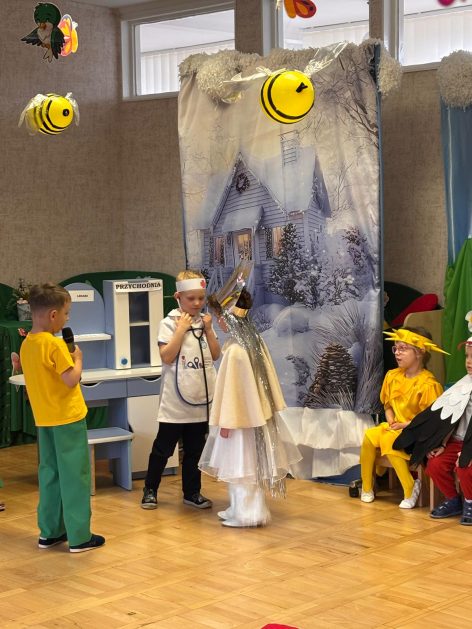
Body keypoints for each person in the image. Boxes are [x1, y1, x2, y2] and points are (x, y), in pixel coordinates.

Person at [199, 262, 301, 527]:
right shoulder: (252, 342)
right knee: (241, 466)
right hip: (250, 420)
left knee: (241, 466)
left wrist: (226, 422)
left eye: (221, 317)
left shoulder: (236, 351)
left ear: (230, 318)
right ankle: (237, 508)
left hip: (240, 423)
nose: (219, 322)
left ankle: (249, 513)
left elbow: (234, 394)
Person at [20, 283, 105, 552]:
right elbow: (70, 380)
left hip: (44, 420)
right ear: (53, 314)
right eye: (66, 313)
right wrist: (78, 359)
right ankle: (79, 537)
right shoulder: (54, 344)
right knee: (75, 476)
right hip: (67, 419)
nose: (67, 319)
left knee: (50, 473)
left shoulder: (27, 344)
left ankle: (50, 532)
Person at [141, 270, 220, 510]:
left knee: (195, 451)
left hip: (200, 401)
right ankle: (150, 489)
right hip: (175, 402)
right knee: (163, 449)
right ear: (178, 297)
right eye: (191, 298)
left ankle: (192, 492)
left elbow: (216, 354)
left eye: (201, 298)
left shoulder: (204, 323)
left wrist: (209, 330)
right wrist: (180, 329)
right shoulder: (168, 323)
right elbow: (166, 356)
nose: (197, 303)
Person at [359, 326, 445, 508]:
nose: (397, 353)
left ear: (420, 352)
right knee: (369, 436)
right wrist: (391, 419)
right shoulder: (392, 376)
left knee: (390, 439)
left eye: (403, 348)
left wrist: (403, 425)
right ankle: (367, 487)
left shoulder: (428, 384)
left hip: (416, 433)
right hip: (396, 428)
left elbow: (430, 420)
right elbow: (387, 405)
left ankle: (409, 486)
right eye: (396, 348)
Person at [394, 331, 472, 526]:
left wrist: (468, 452)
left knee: (465, 467)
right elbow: (450, 418)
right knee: (435, 464)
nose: (469, 362)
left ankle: (470, 502)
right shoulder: (462, 386)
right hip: (458, 441)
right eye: (467, 357)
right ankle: (453, 500)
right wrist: (442, 443)